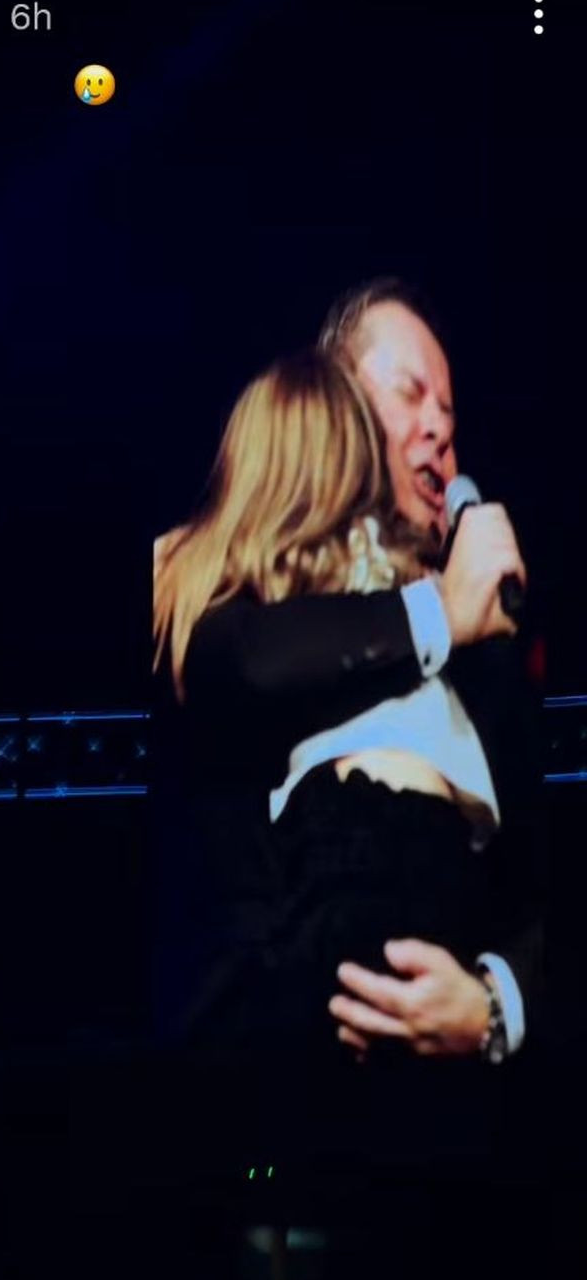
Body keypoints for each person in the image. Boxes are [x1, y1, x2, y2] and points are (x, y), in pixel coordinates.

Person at [154, 280, 543, 1082]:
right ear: (335, 403)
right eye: (410, 394)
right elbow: (242, 667)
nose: (440, 427)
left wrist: (492, 1007)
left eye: (450, 413)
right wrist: (441, 612)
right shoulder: (237, 590)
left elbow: (540, 882)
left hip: (453, 1109)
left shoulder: (486, 647)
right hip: (262, 1084)